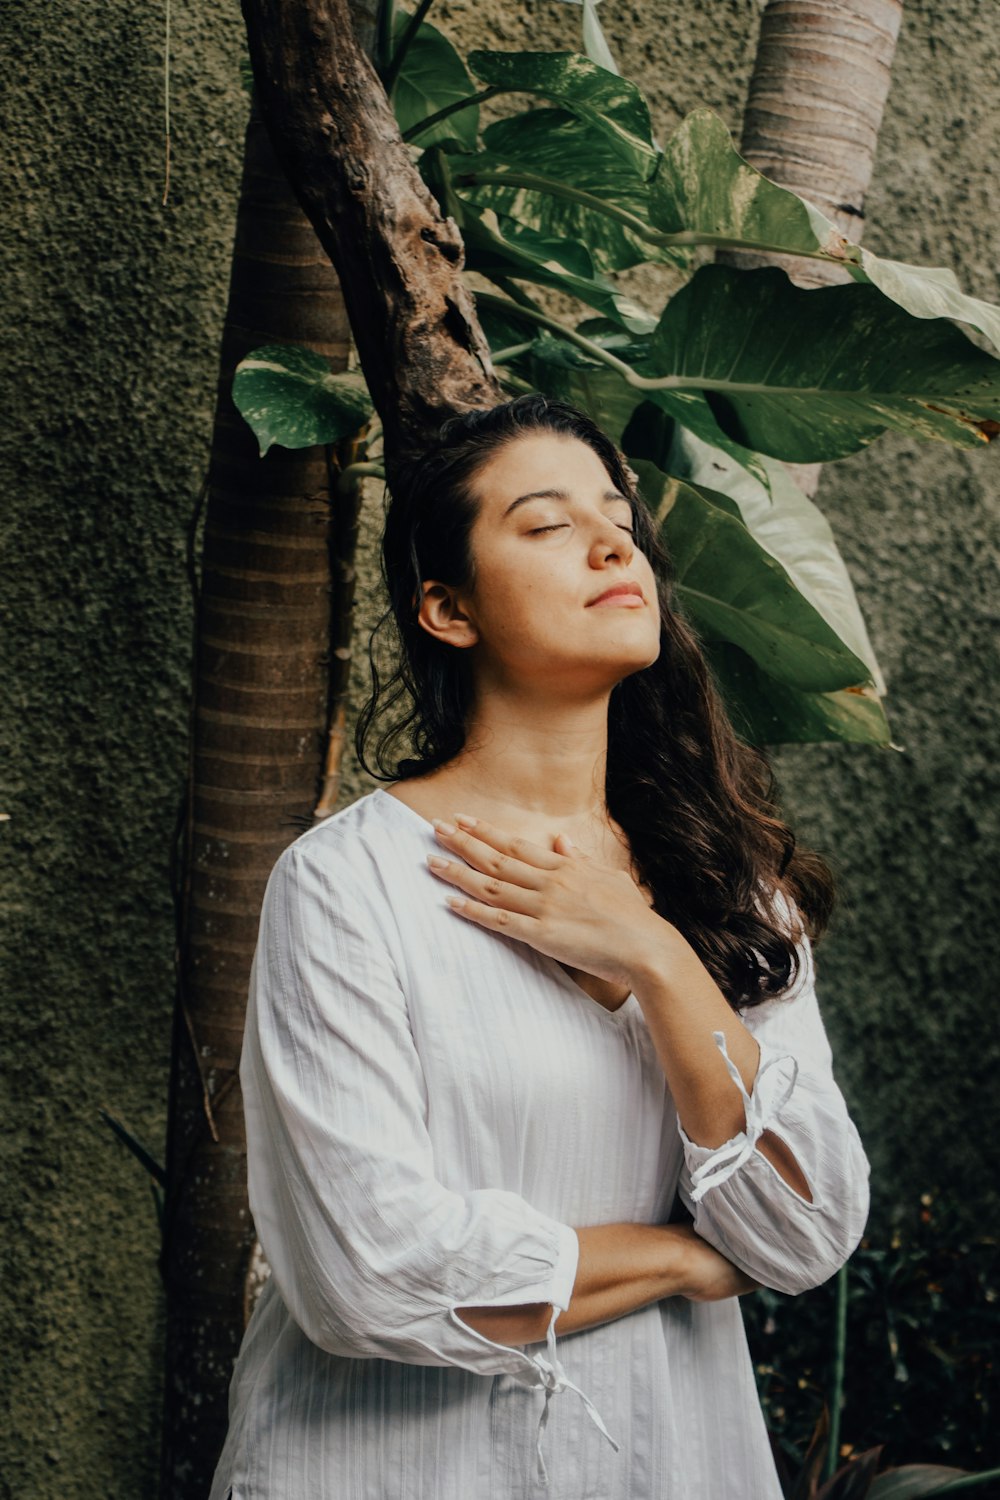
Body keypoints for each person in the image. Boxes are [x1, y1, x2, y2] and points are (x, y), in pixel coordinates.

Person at [209, 393, 870, 1500]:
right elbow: (369, 1277)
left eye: (618, 517)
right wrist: (684, 1258)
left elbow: (805, 1229)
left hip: (670, 1461)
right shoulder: (345, 885)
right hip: (387, 1470)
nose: (613, 541)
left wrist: (653, 957)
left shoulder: (729, 884)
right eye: (546, 524)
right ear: (447, 608)